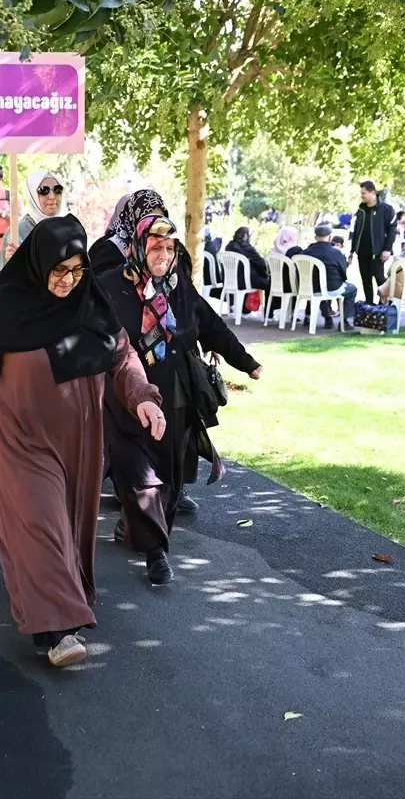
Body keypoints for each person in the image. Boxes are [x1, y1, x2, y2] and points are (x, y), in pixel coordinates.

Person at [0, 214, 162, 662]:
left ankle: (57, 608)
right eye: (59, 270)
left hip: (79, 441)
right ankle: (59, 632)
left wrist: (142, 396)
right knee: (40, 522)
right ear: (38, 262)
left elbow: (122, 359)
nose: (68, 280)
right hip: (20, 439)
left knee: (65, 527)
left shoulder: (91, 303)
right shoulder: (6, 309)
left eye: (76, 269)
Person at [100, 214, 262, 585]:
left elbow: (212, 326)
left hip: (176, 398)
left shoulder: (179, 288)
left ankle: (143, 530)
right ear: (139, 247)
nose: (163, 253)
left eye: (169, 247)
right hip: (126, 402)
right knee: (139, 478)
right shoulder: (109, 286)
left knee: (170, 478)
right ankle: (156, 552)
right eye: (156, 246)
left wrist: (246, 362)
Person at [0, 170, 66, 271]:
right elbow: (5, 280)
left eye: (57, 189)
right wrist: (17, 261)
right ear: (32, 195)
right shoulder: (17, 233)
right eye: (44, 190)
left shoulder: (68, 228)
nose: (52, 196)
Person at [89, 189, 167, 276]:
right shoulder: (111, 250)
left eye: (160, 221)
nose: (154, 228)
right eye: (148, 222)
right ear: (133, 220)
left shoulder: (166, 252)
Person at [305, 223, 360, 330]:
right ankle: (344, 321)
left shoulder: (306, 252)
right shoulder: (336, 253)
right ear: (330, 238)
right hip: (332, 287)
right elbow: (343, 272)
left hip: (311, 288)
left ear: (315, 237)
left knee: (320, 291)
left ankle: (327, 319)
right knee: (352, 290)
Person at [349, 180, 396, 302]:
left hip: (378, 252)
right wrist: (352, 251)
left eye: (364, 193)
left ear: (373, 193)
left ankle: (386, 304)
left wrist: (387, 249)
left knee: (380, 279)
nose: (362, 196)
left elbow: (392, 231)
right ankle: (369, 307)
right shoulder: (361, 211)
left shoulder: (386, 209)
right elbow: (356, 231)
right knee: (366, 280)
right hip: (362, 252)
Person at [224, 226, 271, 295]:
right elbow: (262, 263)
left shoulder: (229, 246)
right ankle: (269, 305)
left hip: (230, 281)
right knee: (270, 283)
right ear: (246, 236)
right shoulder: (247, 248)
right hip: (245, 281)